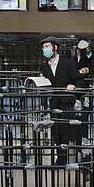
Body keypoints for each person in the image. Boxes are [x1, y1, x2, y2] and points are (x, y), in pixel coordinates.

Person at [39, 37, 79, 165]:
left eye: (47, 46)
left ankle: (64, 156)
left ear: (55, 47)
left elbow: (78, 78)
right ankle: (60, 156)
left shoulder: (67, 62)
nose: (45, 49)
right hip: (54, 102)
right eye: (43, 47)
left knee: (66, 129)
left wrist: (73, 86)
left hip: (67, 101)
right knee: (56, 130)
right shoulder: (45, 67)